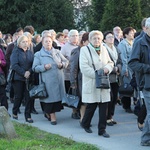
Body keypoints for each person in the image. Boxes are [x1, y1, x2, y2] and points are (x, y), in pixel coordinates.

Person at [80, 30, 114, 138]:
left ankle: (102, 130)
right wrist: (97, 74)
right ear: (90, 39)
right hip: (92, 82)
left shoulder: (104, 49)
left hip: (104, 82)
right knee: (92, 106)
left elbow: (110, 63)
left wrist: (107, 69)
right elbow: (84, 67)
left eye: (99, 38)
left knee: (104, 107)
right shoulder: (84, 50)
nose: (97, 40)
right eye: (94, 38)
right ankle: (85, 123)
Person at [32, 35, 69, 125]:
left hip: (58, 79)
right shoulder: (38, 54)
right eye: (46, 41)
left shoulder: (57, 52)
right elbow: (34, 68)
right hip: (47, 80)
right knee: (49, 99)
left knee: (57, 99)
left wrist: (62, 65)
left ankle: (49, 113)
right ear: (42, 43)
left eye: (49, 41)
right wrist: (44, 67)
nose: (48, 43)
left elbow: (66, 61)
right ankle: (52, 116)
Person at [128, 17, 150, 146]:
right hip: (147, 83)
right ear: (146, 28)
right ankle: (146, 138)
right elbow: (132, 63)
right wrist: (148, 68)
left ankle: (146, 138)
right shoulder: (139, 42)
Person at [10, 35, 34, 123]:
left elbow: (33, 64)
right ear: (19, 44)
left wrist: (29, 72)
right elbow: (14, 65)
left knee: (28, 97)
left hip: (28, 78)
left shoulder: (30, 52)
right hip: (18, 78)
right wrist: (24, 73)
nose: (25, 43)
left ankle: (28, 115)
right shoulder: (15, 52)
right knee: (19, 97)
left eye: (26, 42)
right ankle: (15, 111)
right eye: (23, 42)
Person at [103, 31, 122, 126]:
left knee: (114, 98)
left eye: (112, 37)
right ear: (104, 39)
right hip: (107, 77)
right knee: (108, 98)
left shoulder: (116, 49)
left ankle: (111, 116)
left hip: (116, 77)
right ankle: (106, 118)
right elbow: (103, 63)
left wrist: (118, 68)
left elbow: (119, 61)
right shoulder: (103, 49)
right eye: (109, 37)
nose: (111, 38)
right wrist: (112, 68)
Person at [70, 32, 89, 124]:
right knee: (82, 100)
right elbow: (73, 68)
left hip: (88, 79)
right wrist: (73, 82)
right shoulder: (77, 51)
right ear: (85, 41)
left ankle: (84, 118)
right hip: (80, 79)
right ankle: (82, 118)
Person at [61, 29, 80, 119]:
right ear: (69, 37)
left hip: (78, 74)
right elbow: (62, 58)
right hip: (68, 74)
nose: (75, 37)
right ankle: (74, 111)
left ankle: (79, 109)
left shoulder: (80, 46)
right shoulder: (65, 47)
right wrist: (68, 64)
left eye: (76, 35)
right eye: (73, 36)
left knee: (78, 93)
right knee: (72, 94)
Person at [118, 27, 135, 113]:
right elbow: (123, 58)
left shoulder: (134, 42)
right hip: (127, 67)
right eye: (131, 33)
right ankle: (126, 105)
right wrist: (125, 70)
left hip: (134, 67)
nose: (132, 34)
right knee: (127, 86)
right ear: (126, 35)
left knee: (134, 86)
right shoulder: (123, 44)